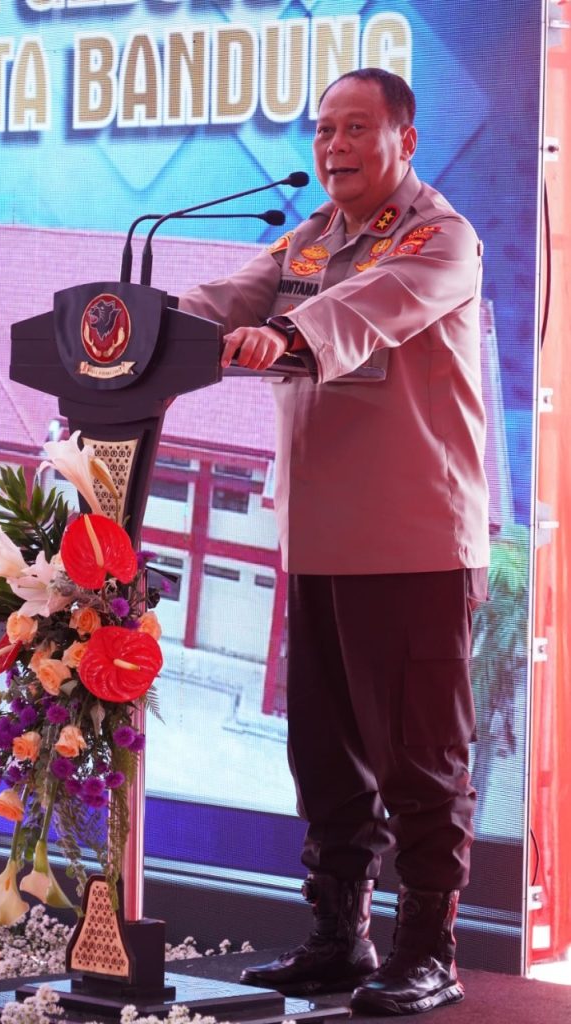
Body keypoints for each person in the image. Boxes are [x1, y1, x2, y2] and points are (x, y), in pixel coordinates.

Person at [179, 67, 489, 1016]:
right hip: (317, 541)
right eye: (324, 130)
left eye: (357, 128)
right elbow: (231, 294)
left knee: (421, 762)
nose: (335, 146)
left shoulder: (440, 237)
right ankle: (337, 940)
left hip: (412, 543)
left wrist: (285, 334)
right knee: (324, 758)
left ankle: (428, 952)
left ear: (405, 140)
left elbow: (368, 307)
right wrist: (143, 325)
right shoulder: (311, 237)